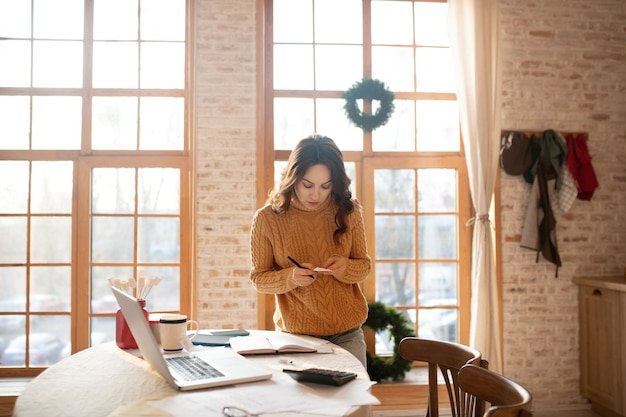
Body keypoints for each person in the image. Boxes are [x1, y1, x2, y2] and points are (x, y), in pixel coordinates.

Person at [249, 134, 372, 366]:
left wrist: (346, 268)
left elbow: (364, 266)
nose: (316, 194)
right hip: (296, 338)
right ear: (292, 178)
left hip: (348, 335)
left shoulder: (349, 211)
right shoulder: (267, 219)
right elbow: (259, 278)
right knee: (304, 401)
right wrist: (290, 277)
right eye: (307, 185)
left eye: (325, 186)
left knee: (355, 401)